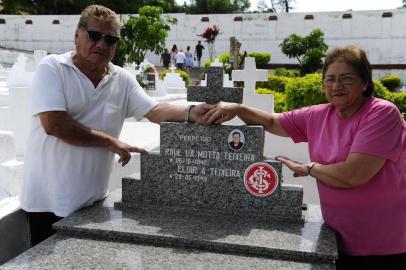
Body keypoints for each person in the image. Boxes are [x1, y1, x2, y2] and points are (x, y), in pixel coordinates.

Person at [20, 5, 213, 247]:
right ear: (77, 36)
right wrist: (111, 142)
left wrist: (191, 112)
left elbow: (154, 110)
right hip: (46, 203)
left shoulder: (121, 79)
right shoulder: (53, 68)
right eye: (94, 35)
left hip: (92, 204)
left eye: (110, 39)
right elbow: (54, 125)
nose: (102, 44)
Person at [204, 46, 406, 270]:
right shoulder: (318, 115)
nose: (336, 86)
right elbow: (272, 122)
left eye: (346, 78)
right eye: (330, 79)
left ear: (365, 82)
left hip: (384, 245)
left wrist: (310, 168)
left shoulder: (381, 114)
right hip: (336, 237)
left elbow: (353, 175)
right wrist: (239, 109)